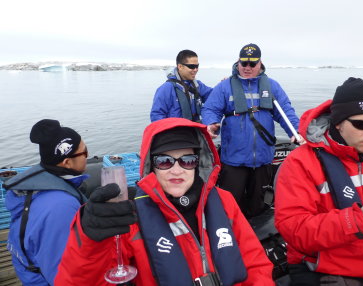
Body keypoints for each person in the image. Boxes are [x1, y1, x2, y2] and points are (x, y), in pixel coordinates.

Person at [55, 118, 275, 286]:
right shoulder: (128, 216)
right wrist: (90, 241)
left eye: (187, 160)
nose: (177, 169)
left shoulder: (223, 201)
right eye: (164, 161)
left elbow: (255, 263)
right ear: (151, 166)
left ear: (199, 164)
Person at [274, 77, 363, 285]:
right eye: (361, 124)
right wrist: (361, 219)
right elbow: (294, 230)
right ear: (338, 123)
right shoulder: (300, 163)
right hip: (329, 271)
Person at [201, 43, 303, 218]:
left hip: (263, 159)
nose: (247, 68)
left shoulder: (272, 86)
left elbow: (285, 111)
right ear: (238, 62)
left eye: (252, 64)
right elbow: (210, 109)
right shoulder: (225, 87)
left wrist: (296, 132)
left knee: (257, 205)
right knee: (230, 206)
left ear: (260, 63)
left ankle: (257, 237)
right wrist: (211, 123)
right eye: (244, 63)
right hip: (234, 160)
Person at [4, 119, 88, 286]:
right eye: (85, 152)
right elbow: (63, 273)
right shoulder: (61, 206)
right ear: (67, 162)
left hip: (29, 272)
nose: (87, 157)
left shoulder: (36, 185)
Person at [150, 49, 213, 122]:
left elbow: (216, 97)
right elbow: (157, 115)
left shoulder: (198, 85)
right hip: (176, 132)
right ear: (180, 66)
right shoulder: (166, 89)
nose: (195, 69)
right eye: (192, 66)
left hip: (195, 130)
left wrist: (224, 85)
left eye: (197, 66)